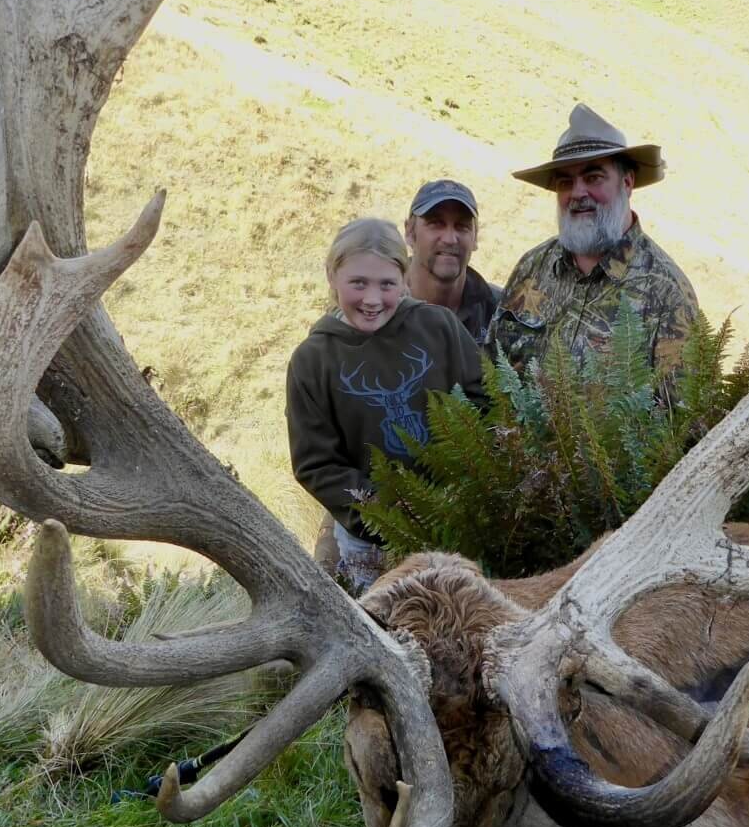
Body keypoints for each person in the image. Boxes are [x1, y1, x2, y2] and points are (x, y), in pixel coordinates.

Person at [287, 217, 487, 592]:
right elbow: (316, 464)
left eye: (387, 284)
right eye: (358, 283)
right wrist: (384, 511)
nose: (373, 299)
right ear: (332, 276)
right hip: (370, 544)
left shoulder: (439, 327)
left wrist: (465, 486)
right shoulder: (312, 360)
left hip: (457, 524)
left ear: (406, 277)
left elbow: (484, 401)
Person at [491, 103, 701, 376]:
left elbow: (681, 415)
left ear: (626, 183)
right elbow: (491, 377)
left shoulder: (667, 294)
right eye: (565, 182)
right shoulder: (531, 268)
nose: (578, 193)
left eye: (593, 177)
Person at [404, 178, 503, 346]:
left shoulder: (499, 311)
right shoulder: (376, 307)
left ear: (475, 237)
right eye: (436, 223)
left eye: (461, 225)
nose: (450, 239)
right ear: (410, 233)